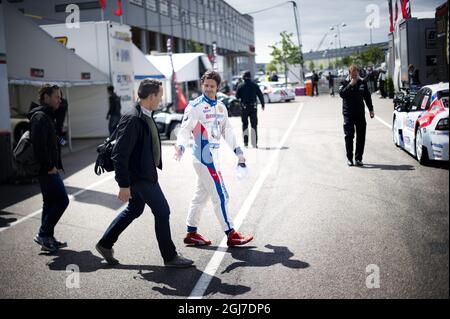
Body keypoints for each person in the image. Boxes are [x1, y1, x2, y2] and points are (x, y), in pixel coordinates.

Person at [96, 79, 194, 268]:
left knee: (135, 209)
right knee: (162, 211)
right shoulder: (134, 118)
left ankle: (105, 243)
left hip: (143, 174)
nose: (161, 99)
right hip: (140, 177)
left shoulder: (145, 114)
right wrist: (123, 185)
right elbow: (119, 154)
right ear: (151, 96)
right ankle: (170, 257)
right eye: (160, 95)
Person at [174, 70, 254, 247]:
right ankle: (231, 234)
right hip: (203, 158)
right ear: (202, 85)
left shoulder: (221, 107)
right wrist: (180, 146)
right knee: (221, 196)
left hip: (213, 159)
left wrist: (239, 152)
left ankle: (191, 233)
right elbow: (185, 129)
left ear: (218, 87)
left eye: (212, 86)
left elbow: (228, 132)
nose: (209, 88)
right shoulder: (195, 106)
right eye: (206, 85)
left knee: (200, 197)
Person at [29, 84, 69, 253]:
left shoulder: (48, 116)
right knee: (62, 200)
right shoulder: (40, 117)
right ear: (45, 97)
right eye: (56, 97)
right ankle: (43, 234)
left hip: (50, 167)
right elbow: (39, 146)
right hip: (46, 169)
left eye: (60, 97)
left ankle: (48, 238)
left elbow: (57, 139)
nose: (59, 100)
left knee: (50, 202)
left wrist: (57, 162)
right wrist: (50, 166)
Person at [339, 65, 375, 167]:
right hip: (348, 114)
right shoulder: (344, 82)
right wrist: (350, 85)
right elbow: (342, 94)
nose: (355, 76)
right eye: (353, 74)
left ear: (358, 73)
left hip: (360, 114)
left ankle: (358, 158)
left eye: (356, 74)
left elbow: (367, 97)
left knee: (361, 137)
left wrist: (371, 109)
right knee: (349, 136)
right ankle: (349, 158)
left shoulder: (362, 82)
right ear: (349, 73)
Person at [236, 70, 265, 148]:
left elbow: (237, 97)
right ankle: (254, 143)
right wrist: (263, 104)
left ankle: (246, 143)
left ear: (243, 77)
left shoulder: (240, 85)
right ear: (250, 77)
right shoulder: (255, 85)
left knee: (245, 125)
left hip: (244, 108)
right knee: (254, 125)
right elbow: (260, 95)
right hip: (253, 108)